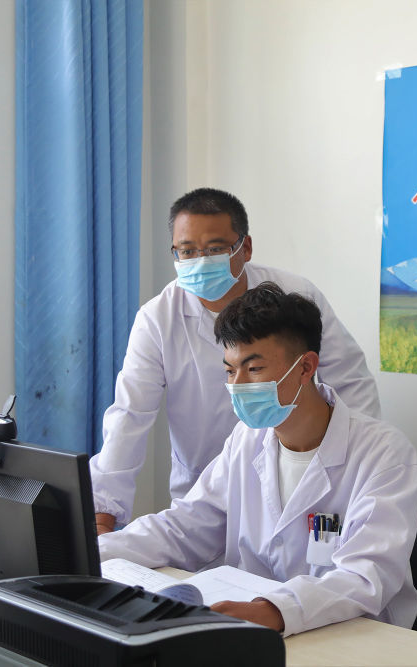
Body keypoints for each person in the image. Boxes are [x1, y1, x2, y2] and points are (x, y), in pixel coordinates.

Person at [100, 283, 417, 634]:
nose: (237, 385)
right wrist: (94, 551)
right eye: (229, 371)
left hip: (351, 637)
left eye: (253, 369)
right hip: (252, 630)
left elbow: (365, 576)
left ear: (306, 367)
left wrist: (274, 610)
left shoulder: (384, 454)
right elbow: (185, 527)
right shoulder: (246, 440)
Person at [90, 188, 381, 534]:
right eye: (187, 251)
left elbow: (350, 383)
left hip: (297, 482)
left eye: (215, 249)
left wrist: (360, 471)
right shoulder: (157, 319)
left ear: (245, 248)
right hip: (202, 495)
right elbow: (129, 415)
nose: (200, 261)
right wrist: (103, 514)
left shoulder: (294, 298)